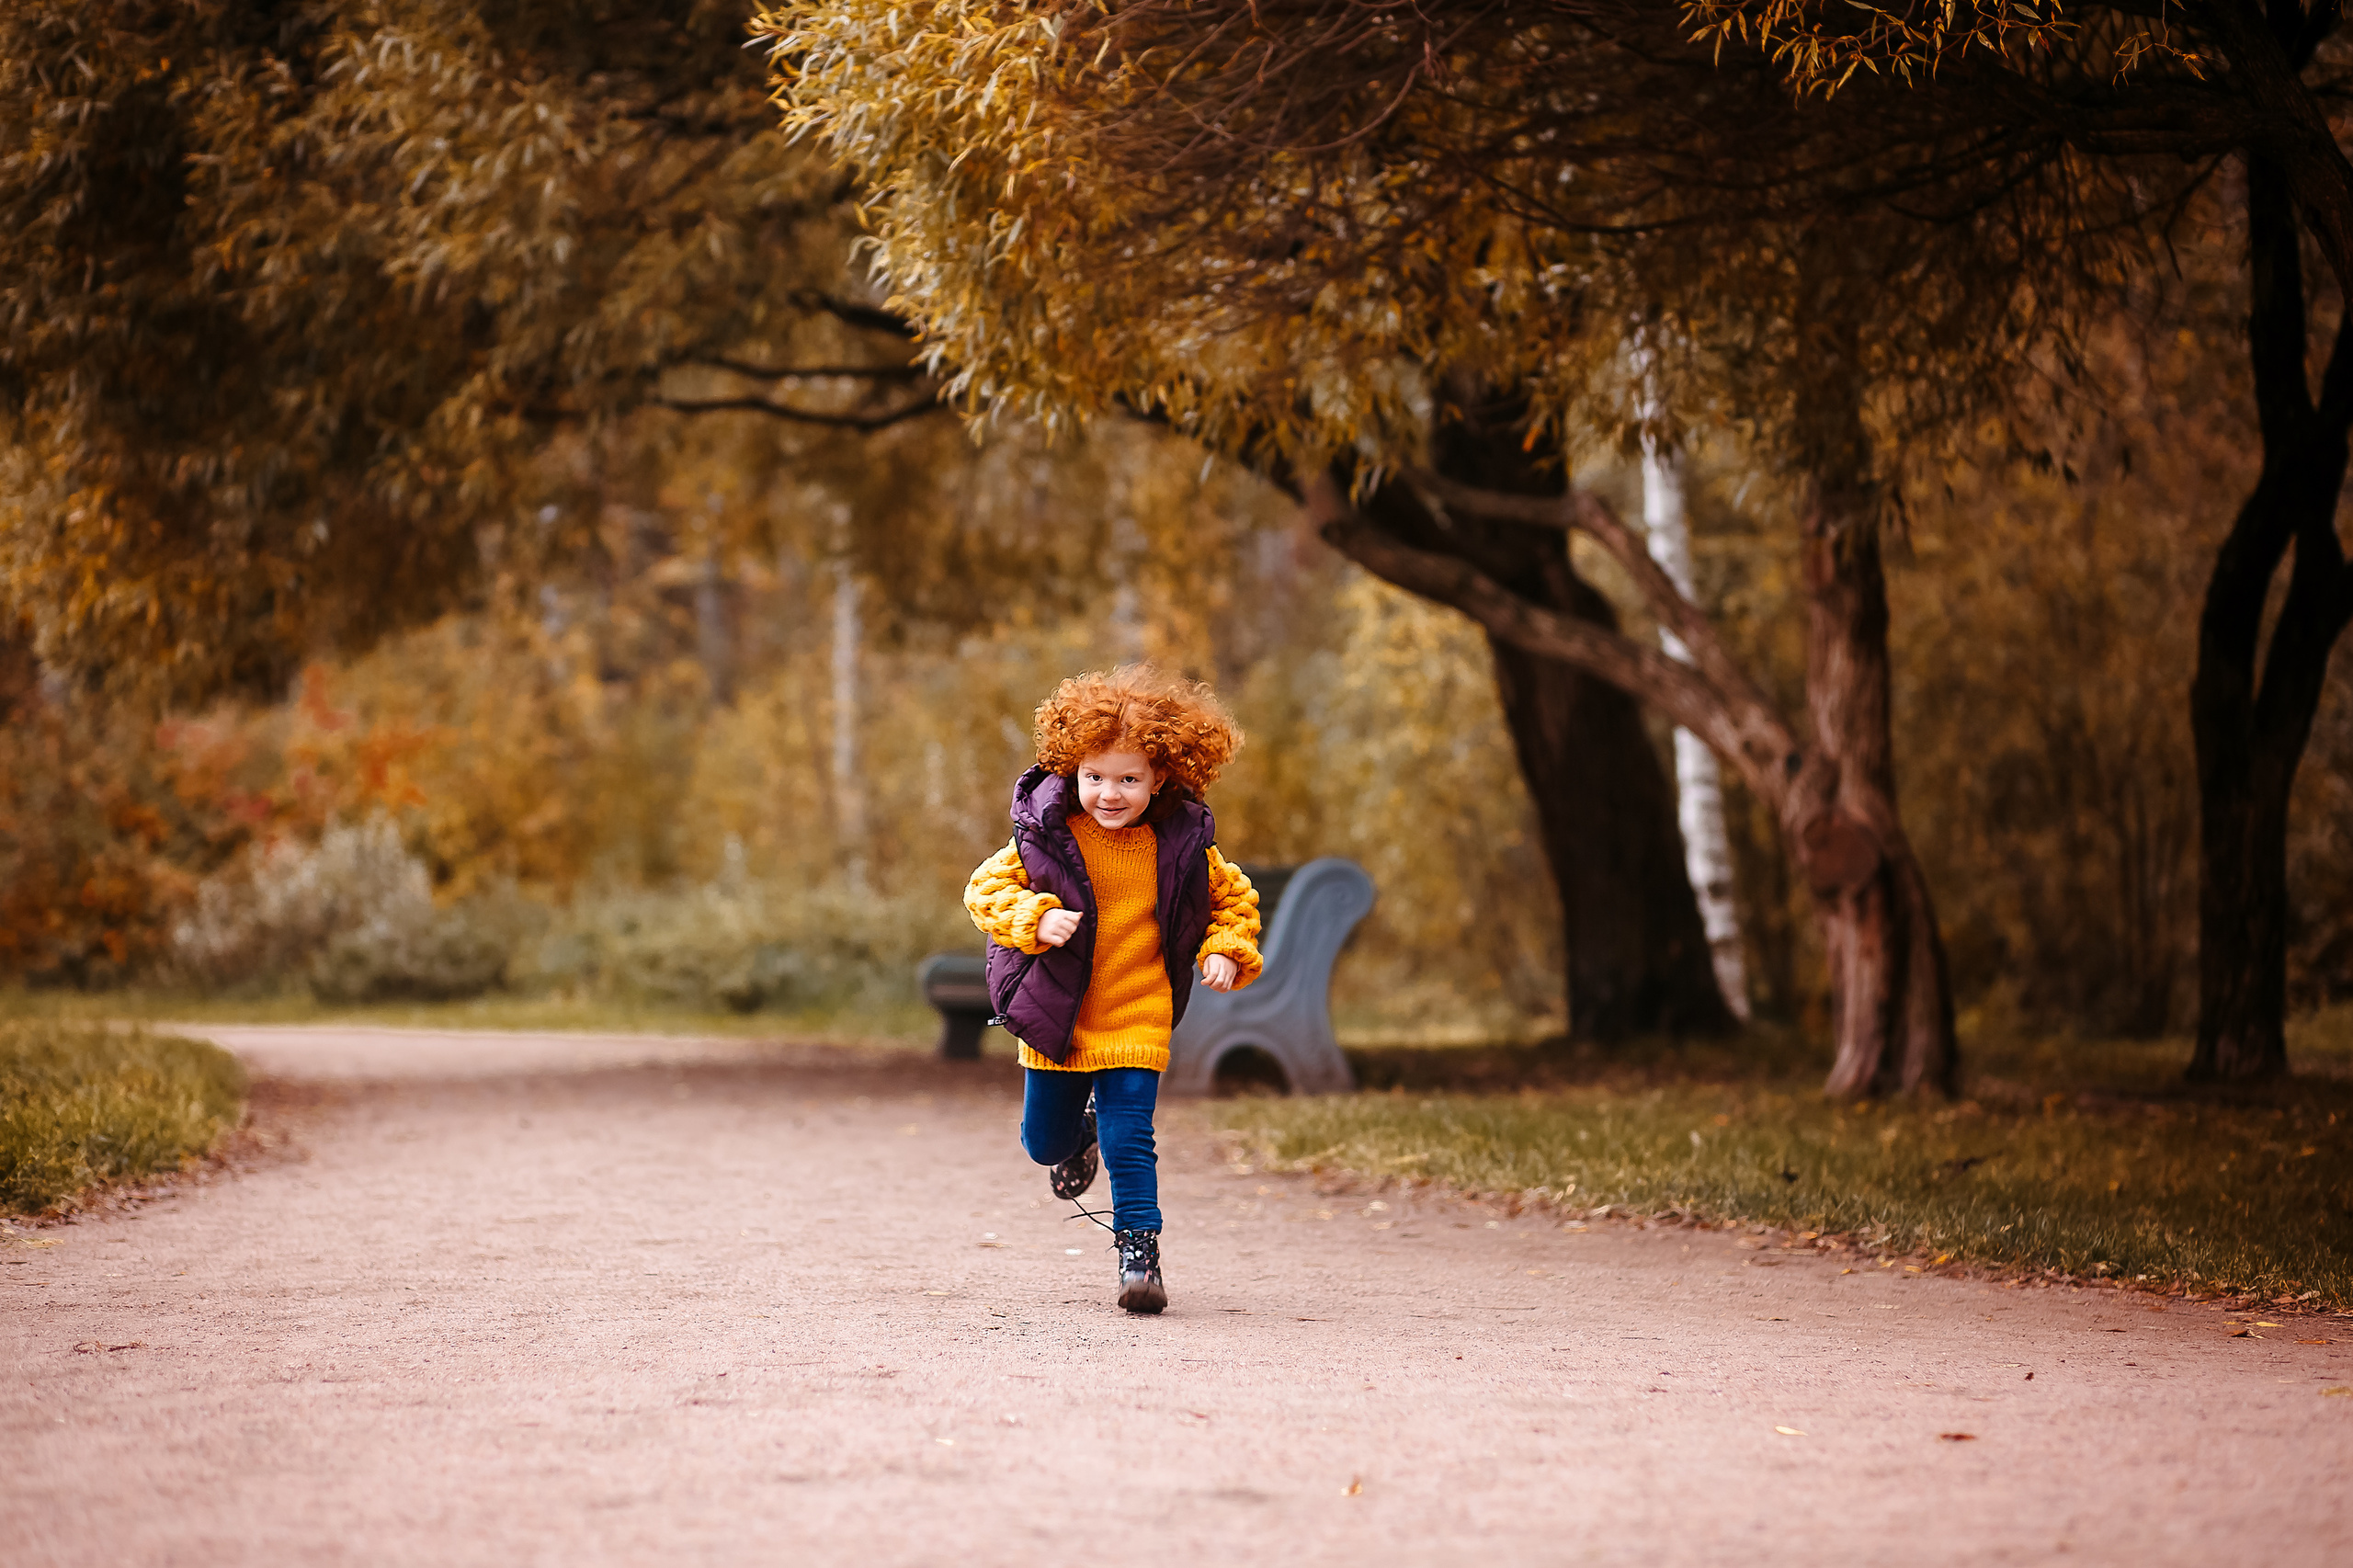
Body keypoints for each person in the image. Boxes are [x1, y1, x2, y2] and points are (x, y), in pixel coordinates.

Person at [962, 665, 1264, 1313]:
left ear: (1161, 777)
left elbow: (1230, 903)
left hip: (1137, 1011)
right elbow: (985, 891)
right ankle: (1078, 1134)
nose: (1109, 793)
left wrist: (1226, 950)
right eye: (1095, 776)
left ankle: (1140, 1255)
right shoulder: (1045, 835)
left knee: (1133, 1136)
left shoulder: (1181, 845)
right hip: (1060, 1017)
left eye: (1128, 779)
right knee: (1043, 1143)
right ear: (1072, 768)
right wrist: (1034, 918)